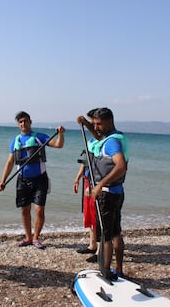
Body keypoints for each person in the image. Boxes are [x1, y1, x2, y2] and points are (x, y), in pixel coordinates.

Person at [0, 111, 65, 249]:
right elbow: (10, 162)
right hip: (22, 180)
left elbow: (58, 145)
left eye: (25, 121)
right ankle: (28, 237)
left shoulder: (40, 137)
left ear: (30, 122)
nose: (23, 124)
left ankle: (36, 238)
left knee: (39, 210)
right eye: (20, 121)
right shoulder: (15, 141)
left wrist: (61, 134)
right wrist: (2, 180)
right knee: (25, 210)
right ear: (18, 124)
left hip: (40, 179)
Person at [81, 107, 128, 280]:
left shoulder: (112, 142)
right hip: (117, 192)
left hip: (107, 195)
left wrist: (100, 184)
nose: (96, 127)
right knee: (115, 232)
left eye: (99, 123)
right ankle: (119, 270)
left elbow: (122, 166)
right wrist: (86, 124)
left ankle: (106, 273)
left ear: (110, 121)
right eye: (94, 123)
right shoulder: (113, 137)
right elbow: (97, 135)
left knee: (106, 235)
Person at [73, 108, 103, 263]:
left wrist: (85, 123)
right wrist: (78, 179)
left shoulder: (101, 139)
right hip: (87, 179)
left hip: (96, 183)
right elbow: (85, 163)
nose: (92, 126)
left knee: (97, 216)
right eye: (91, 122)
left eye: (93, 123)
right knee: (89, 215)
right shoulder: (90, 142)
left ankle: (100, 250)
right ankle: (92, 245)